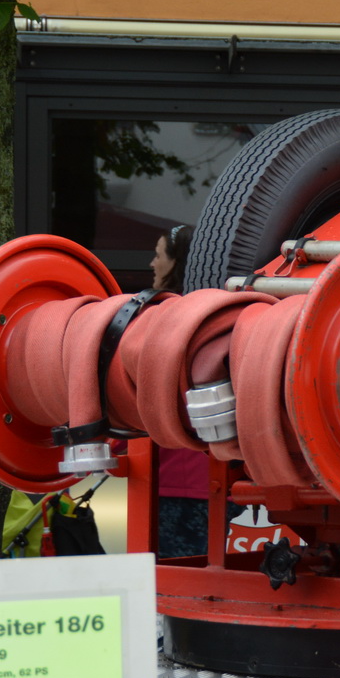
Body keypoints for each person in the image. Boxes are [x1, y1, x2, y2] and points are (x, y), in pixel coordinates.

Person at [150, 225, 220, 558]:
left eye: (159, 254)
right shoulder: (219, 315)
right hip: (221, 485)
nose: (152, 263)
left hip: (176, 483)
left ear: (177, 263)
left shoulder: (161, 322)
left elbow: (142, 394)